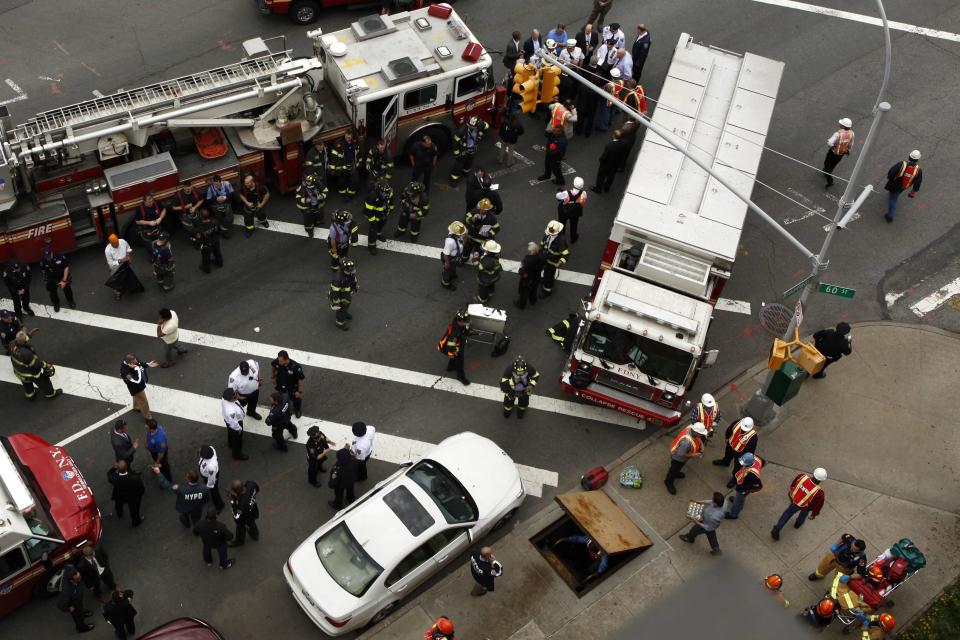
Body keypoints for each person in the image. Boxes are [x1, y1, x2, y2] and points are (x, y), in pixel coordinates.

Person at [771, 467, 827, 540]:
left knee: (787, 514)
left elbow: (793, 485)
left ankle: (776, 529)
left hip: (794, 500)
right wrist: (814, 514)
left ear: (813, 473)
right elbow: (818, 505)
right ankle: (798, 524)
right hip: (806, 507)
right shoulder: (819, 493)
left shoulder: (802, 476)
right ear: (822, 480)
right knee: (803, 514)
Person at [10, 331, 62, 400]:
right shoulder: (27, 354)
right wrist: (46, 365)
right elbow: (36, 364)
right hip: (31, 374)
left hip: (19, 372)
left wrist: (29, 335)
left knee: (27, 384)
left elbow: (21, 340)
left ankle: (30, 396)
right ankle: (50, 394)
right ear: (24, 341)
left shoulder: (12, 344)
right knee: (44, 382)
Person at [664, 421, 708, 495]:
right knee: (673, 470)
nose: (701, 435)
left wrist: (701, 445)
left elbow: (698, 437)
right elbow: (681, 454)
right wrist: (694, 455)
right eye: (700, 434)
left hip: (680, 453)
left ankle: (676, 473)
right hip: (677, 458)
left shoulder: (691, 427)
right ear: (696, 432)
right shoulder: (686, 442)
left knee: (677, 468)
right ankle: (668, 482)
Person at [711, 416, 757, 486]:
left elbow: (750, 451)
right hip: (730, 445)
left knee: (737, 468)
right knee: (727, 455)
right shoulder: (737, 423)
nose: (743, 429)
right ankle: (725, 462)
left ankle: (734, 479)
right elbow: (729, 429)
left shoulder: (753, 437)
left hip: (740, 454)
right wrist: (727, 437)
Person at [883, 150, 922, 222]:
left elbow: (891, 172)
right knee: (896, 194)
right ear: (917, 159)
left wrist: (890, 178)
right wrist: (913, 192)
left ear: (909, 157)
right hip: (903, 186)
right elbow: (918, 182)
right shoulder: (918, 170)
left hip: (894, 183)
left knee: (893, 199)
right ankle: (892, 193)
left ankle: (890, 216)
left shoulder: (902, 164)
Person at [449, 116, 489, 185]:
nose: (471, 128)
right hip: (463, 150)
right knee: (458, 165)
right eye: (470, 126)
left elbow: (486, 127)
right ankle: (454, 179)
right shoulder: (461, 131)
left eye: (473, 127)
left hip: (472, 148)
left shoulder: (480, 125)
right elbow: (455, 142)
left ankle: (465, 172)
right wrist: (457, 153)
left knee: (469, 161)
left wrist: (480, 135)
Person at [39, 237, 76, 312]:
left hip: (62, 275)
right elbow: (43, 270)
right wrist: (46, 279)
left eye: (49, 257)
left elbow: (66, 267)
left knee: (67, 290)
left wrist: (64, 280)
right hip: (51, 277)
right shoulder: (43, 259)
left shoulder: (59, 255)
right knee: (52, 292)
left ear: (52, 253)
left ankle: (70, 301)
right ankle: (56, 304)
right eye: (46, 257)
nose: (48, 259)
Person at [103, 234, 144, 300]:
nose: (117, 245)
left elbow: (128, 248)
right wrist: (121, 260)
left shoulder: (122, 241)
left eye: (117, 242)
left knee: (127, 276)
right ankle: (118, 293)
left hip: (125, 264)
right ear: (111, 243)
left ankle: (131, 288)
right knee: (116, 280)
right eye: (114, 244)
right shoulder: (107, 250)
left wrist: (128, 256)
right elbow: (110, 263)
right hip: (115, 268)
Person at [107, 460, 145, 527]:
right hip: (133, 497)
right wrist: (140, 495)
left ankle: (119, 514)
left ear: (118, 469)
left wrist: (114, 467)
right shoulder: (135, 478)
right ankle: (135, 522)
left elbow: (109, 474)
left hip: (120, 495)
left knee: (118, 505)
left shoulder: (114, 478)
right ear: (127, 467)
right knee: (134, 510)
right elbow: (141, 488)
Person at [58, 565, 95, 633]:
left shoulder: (70, 568)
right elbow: (61, 605)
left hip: (78, 600)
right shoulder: (67, 591)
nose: (80, 578)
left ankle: (82, 613)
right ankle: (81, 628)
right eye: (78, 578)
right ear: (72, 579)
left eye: (79, 575)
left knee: (80, 608)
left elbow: (67, 565)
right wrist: (69, 608)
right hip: (74, 604)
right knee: (78, 617)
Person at [725, 452, 763, 519]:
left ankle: (733, 515)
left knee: (739, 498)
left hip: (744, 488)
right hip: (745, 485)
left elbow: (759, 486)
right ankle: (740, 505)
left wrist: (751, 490)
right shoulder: (756, 459)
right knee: (741, 498)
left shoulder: (753, 475)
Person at [120, 354, 159, 419]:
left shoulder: (130, 361)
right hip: (136, 388)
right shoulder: (125, 371)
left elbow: (139, 363)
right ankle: (148, 417)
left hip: (138, 385)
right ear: (130, 363)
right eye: (134, 360)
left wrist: (147, 364)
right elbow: (137, 380)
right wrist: (137, 368)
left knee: (137, 397)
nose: (136, 361)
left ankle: (136, 406)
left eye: (135, 359)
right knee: (144, 402)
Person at [438, 310, 471, 385]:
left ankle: (450, 367)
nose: (468, 321)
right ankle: (461, 377)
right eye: (467, 320)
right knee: (460, 362)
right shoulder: (455, 332)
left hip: (455, 346)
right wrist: (456, 351)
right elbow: (450, 345)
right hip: (454, 348)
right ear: (461, 321)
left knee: (454, 357)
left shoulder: (457, 322)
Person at [363, 179, 394, 255]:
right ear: (379, 190)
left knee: (382, 223)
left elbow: (390, 201)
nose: (385, 194)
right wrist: (373, 220)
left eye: (386, 192)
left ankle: (379, 235)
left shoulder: (389, 192)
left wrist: (390, 208)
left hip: (382, 213)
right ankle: (371, 246)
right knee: (373, 230)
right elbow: (368, 211)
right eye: (383, 192)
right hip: (373, 214)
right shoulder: (372, 196)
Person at [272, 350, 306, 418]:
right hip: (281, 385)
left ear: (286, 359)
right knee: (281, 397)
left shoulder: (296, 367)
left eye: (281, 361)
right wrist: (273, 377)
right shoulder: (277, 361)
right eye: (278, 360)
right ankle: (283, 408)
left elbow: (301, 380)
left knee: (296, 399)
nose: (278, 362)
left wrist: (300, 392)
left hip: (292, 387)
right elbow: (273, 366)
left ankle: (297, 410)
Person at [540, 220, 569, 297]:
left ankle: (547, 291)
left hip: (553, 261)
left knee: (549, 276)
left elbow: (566, 255)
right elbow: (543, 243)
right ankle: (544, 280)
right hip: (546, 258)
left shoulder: (561, 241)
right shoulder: (548, 234)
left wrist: (559, 263)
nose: (549, 233)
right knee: (545, 272)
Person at [823, 117, 854, 188]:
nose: (839, 124)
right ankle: (826, 172)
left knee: (827, 164)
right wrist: (847, 149)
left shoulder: (838, 134)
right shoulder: (852, 133)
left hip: (833, 152)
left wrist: (833, 146)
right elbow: (851, 144)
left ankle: (830, 180)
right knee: (832, 165)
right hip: (841, 154)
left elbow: (829, 142)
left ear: (843, 126)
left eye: (841, 124)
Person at [329, 258, 359, 330]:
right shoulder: (338, 279)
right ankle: (340, 323)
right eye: (349, 271)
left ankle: (345, 313)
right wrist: (337, 303)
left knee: (347, 305)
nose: (351, 272)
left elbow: (353, 280)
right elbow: (334, 292)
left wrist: (355, 287)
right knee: (341, 309)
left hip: (347, 294)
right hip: (340, 296)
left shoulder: (349, 272)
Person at [228, 479, 260, 546]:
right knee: (252, 523)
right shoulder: (250, 484)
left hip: (244, 516)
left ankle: (239, 541)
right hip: (253, 510)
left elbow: (237, 515)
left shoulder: (241, 503)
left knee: (240, 527)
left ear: (236, 491)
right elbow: (257, 488)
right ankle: (255, 535)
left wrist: (232, 500)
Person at [237, 172, 270, 236]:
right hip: (248, 205)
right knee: (248, 219)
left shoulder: (260, 187)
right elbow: (240, 194)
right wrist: (247, 203)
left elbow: (267, 195)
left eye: (247, 183)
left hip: (258, 205)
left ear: (252, 182)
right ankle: (250, 229)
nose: (245, 184)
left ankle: (264, 222)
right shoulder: (243, 187)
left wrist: (262, 204)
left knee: (262, 215)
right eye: (245, 182)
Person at [556, 177, 588, 243]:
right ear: (582, 186)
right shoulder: (584, 193)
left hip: (564, 211)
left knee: (562, 223)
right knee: (574, 224)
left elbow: (557, 196)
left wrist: (562, 192)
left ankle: (561, 237)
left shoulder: (566, 193)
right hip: (575, 212)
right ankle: (573, 238)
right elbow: (583, 200)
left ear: (573, 184)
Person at [296, 171, 327, 238]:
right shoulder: (302, 187)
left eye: (309, 182)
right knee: (308, 219)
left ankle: (318, 222)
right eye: (307, 181)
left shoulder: (319, 185)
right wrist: (305, 200)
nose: (307, 183)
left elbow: (326, 191)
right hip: (306, 207)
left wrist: (322, 196)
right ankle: (309, 230)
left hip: (317, 204)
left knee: (319, 214)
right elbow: (298, 197)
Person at [330, 130, 358, 200]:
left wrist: (358, 163)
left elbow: (358, 152)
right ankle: (343, 193)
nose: (348, 137)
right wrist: (332, 169)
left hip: (352, 163)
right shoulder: (338, 143)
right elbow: (333, 156)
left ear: (352, 136)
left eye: (350, 136)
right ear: (345, 134)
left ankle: (349, 194)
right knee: (342, 180)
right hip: (342, 164)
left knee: (355, 179)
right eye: (347, 135)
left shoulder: (354, 142)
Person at [221, 388, 249, 461]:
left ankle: (230, 444)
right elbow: (234, 424)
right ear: (231, 398)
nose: (237, 395)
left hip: (228, 421)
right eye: (235, 395)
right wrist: (239, 429)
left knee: (230, 433)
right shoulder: (231, 411)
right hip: (236, 422)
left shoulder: (224, 399)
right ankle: (237, 454)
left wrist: (237, 397)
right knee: (237, 440)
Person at [328, 443, 358, 509]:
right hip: (351, 479)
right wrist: (346, 449)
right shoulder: (353, 461)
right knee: (350, 490)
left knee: (339, 494)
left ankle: (337, 505)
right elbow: (350, 455)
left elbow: (333, 482)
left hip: (340, 484)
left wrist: (330, 484)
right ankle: (350, 499)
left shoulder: (336, 469)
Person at [515, 243, 544, 309]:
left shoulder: (528, 260)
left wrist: (521, 267)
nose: (528, 252)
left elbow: (522, 271)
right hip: (536, 277)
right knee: (533, 290)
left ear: (532, 251)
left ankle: (521, 305)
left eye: (529, 251)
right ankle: (533, 301)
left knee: (523, 293)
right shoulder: (540, 256)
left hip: (528, 280)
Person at [441, 221, 467, 291]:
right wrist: (447, 263)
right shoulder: (450, 242)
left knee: (453, 267)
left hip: (455, 257)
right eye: (461, 233)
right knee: (447, 270)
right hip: (450, 258)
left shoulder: (457, 235)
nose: (462, 234)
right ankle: (446, 283)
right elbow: (446, 255)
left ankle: (453, 274)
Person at [196, 208, 223, 273]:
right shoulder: (215, 221)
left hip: (207, 244)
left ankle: (206, 269)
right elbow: (218, 230)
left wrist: (199, 244)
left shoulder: (200, 228)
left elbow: (200, 239)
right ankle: (219, 263)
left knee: (206, 257)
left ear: (201, 217)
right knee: (217, 253)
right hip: (216, 240)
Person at [198, 445, 225, 511]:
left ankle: (220, 505)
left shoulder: (211, 467)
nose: (199, 451)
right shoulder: (211, 448)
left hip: (210, 478)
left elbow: (212, 478)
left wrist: (209, 485)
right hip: (207, 475)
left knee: (214, 491)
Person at [475, 240, 503, 304]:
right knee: (491, 285)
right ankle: (491, 292)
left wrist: (475, 259)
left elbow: (480, 268)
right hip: (494, 277)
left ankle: (482, 299)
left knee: (483, 289)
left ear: (488, 251)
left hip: (485, 278)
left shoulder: (487, 260)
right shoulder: (496, 256)